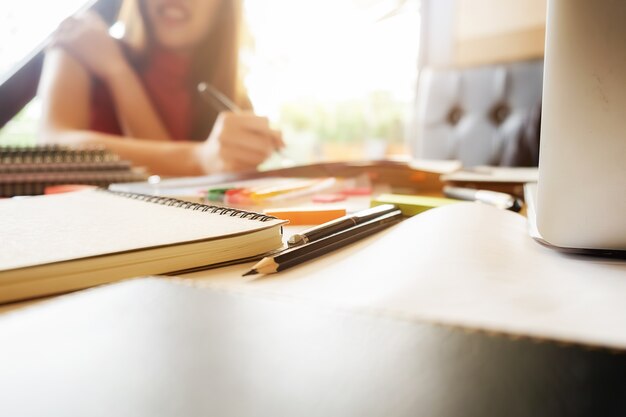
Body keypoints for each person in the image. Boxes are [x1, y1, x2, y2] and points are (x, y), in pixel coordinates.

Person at [37, 0, 283, 176]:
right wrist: (198, 159)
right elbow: (52, 147)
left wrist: (119, 74)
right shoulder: (81, 43)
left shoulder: (233, 97)